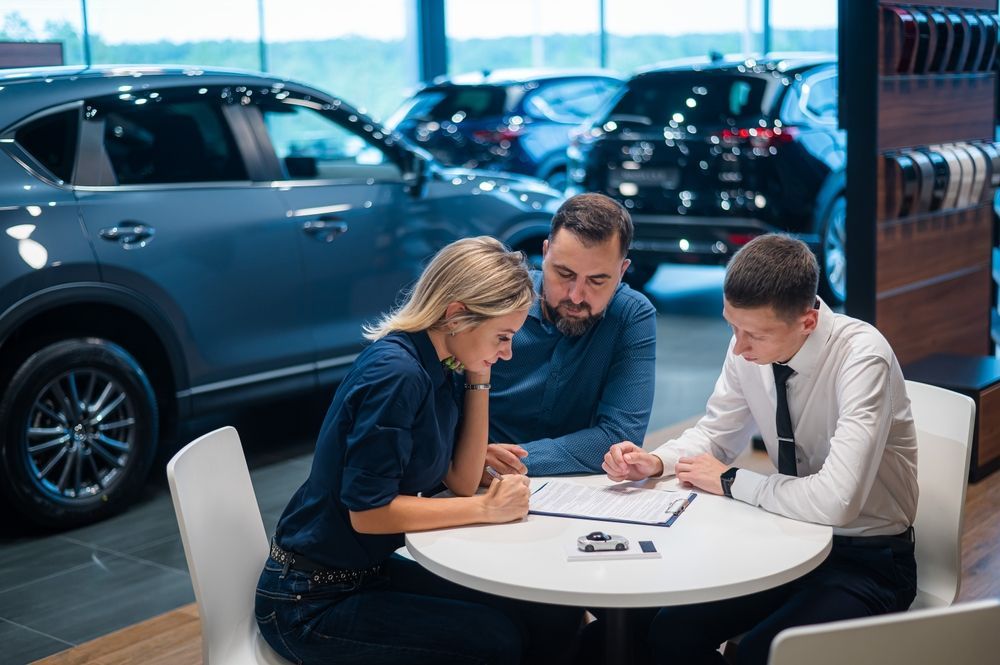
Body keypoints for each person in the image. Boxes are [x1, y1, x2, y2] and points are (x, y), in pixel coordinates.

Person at [255, 236, 582, 665]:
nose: (505, 354)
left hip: (363, 573)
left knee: (548, 614)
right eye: (502, 337)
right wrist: (488, 511)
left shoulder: (439, 360)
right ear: (457, 315)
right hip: (308, 600)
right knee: (494, 641)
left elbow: (462, 483)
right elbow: (369, 512)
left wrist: (477, 376)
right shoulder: (398, 375)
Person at [603, 234, 919, 665]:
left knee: (762, 653)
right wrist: (658, 461)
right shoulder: (749, 348)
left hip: (868, 560)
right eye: (732, 326)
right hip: (785, 541)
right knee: (671, 631)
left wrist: (732, 481)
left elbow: (838, 503)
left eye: (753, 334)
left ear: (807, 322)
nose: (737, 347)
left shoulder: (862, 359)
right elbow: (717, 434)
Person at [484, 192, 658, 479]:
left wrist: (501, 463)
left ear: (622, 271)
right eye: (564, 274)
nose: (576, 296)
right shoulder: (498, 302)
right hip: (468, 485)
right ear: (545, 252)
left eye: (597, 280)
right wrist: (468, 460)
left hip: (569, 493)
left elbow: (619, 437)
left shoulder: (631, 316)